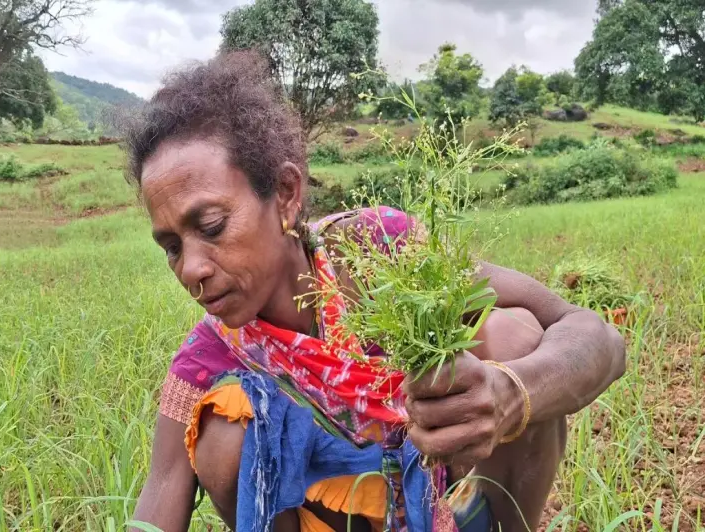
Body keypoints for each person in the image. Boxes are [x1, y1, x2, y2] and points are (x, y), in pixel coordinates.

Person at [122, 51, 625, 532]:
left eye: (210, 225)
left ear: (285, 194)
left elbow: (596, 338)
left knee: (513, 334)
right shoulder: (207, 359)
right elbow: (156, 503)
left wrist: (511, 395)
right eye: (170, 247)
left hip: (448, 511)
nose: (191, 270)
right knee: (223, 426)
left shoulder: (379, 254)